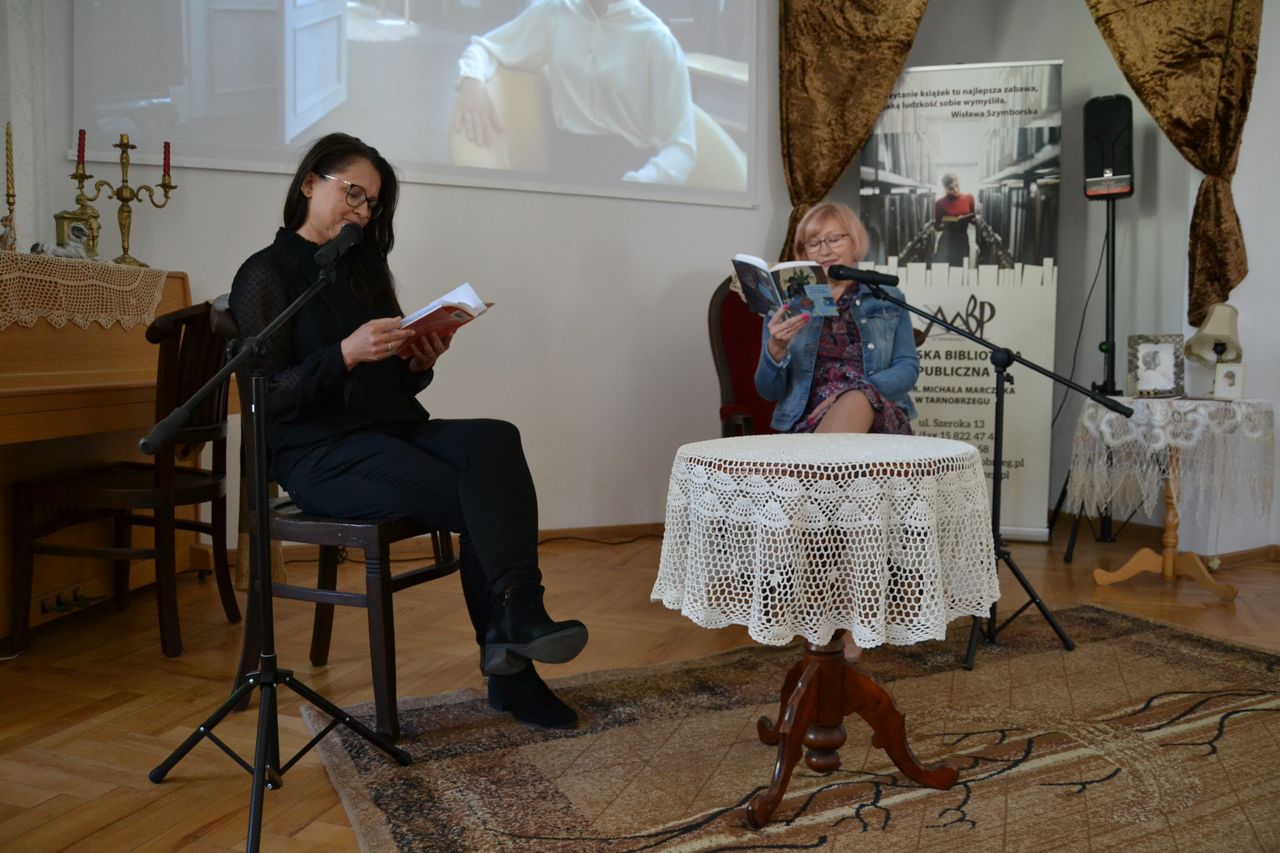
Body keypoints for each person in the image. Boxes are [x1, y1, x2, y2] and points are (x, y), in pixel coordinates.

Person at [229, 132, 586, 729]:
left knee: (496, 438)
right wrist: (344, 353)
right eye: (354, 193)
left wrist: (418, 361)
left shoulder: (362, 273)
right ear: (309, 183)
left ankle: (517, 616)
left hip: (386, 433)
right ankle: (513, 662)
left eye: (371, 204)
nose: (362, 211)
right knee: (482, 497)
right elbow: (267, 397)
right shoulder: (265, 274)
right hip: (318, 456)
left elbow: (386, 389)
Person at [754, 202, 921, 663]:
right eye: (814, 242)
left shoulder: (884, 297)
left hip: (877, 413)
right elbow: (767, 390)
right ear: (802, 251)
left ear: (854, 242)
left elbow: (908, 368)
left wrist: (859, 390)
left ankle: (820, 606)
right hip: (809, 422)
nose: (825, 249)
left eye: (834, 239)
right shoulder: (790, 302)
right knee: (854, 496)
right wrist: (775, 348)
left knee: (855, 399)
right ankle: (849, 614)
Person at [453, 0, 696, 185]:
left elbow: (682, 147)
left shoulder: (656, 39)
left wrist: (636, 186)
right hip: (568, 169)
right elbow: (486, 46)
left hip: (631, 173)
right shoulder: (554, 12)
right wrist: (472, 81)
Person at [933, 173, 978, 267]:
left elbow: (974, 220)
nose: (955, 190)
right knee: (945, 269)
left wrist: (970, 219)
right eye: (951, 188)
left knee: (962, 268)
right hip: (947, 241)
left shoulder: (969, 198)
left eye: (957, 185)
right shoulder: (939, 203)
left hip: (963, 240)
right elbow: (937, 227)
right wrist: (948, 224)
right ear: (945, 189)